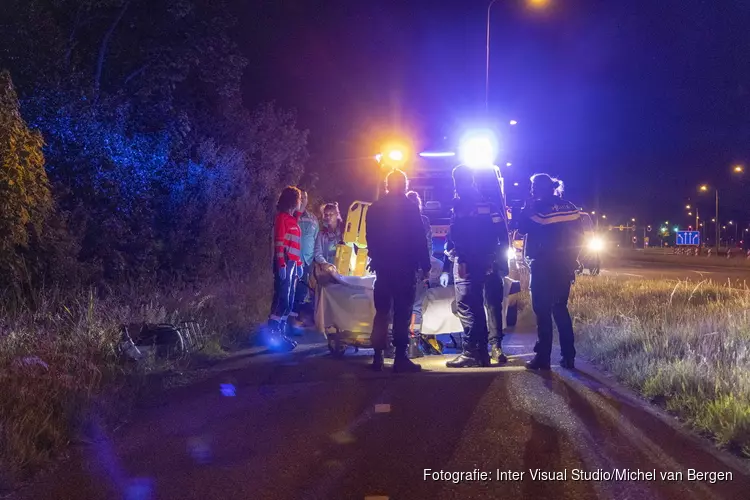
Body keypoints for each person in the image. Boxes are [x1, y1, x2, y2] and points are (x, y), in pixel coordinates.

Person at [440, 164, 507, 368]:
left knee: (467, 307)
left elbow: (457, 237)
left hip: (466, 264)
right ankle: (483, 353)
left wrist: (456, 258)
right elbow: (501, 235)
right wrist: (497, 261)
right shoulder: (488, 205)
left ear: (457, 182)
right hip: (485, 261)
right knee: (478, 307)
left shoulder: (461, 205)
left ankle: (471, 352)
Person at [366, 169, 432, 372]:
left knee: (382, 312)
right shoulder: (410, 208)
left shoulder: (375, 207)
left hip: (383, 268)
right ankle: (400, 358)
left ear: (387, 184)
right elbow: (419, 238)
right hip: (405, 267)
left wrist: (375, 258)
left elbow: (370, 237)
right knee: (402, 313)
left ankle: (377, 356)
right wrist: (425, 265)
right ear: (404, 185)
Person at [517, 173, 583, 370]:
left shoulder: (537, 208)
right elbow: (579, 238)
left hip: (543, 265)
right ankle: (568, 357)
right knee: (560, 309)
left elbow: (521, 228)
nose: (531, 190)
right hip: (565, 266)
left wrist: (526, 207)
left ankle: (543, 357)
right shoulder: (570, 207)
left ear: (540, 188)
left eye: (533, 186)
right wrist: (572, 262)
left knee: (542, 310)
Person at [267, 186, 304, 350]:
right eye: (300, 198)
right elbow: (280, 242)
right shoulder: (282, 218)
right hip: (285, 263)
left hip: (292, 265)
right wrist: (281, 263)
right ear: (293, 200)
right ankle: (273, 335)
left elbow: (296, 245)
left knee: (288, 302)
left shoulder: (292, 220)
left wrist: (299, 265)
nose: (301, 201)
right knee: (282, 299)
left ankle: (281, 335)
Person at [290, 190, 319, 329]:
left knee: (302, 291)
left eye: (305, 198)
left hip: (307, 260)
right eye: (301, 197)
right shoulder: (292, 216)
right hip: (293, 258)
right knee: (290, 289)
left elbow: (316, 238)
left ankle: (296, 317)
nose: (303, 200)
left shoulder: (313, 218)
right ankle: (288, 319)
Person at [406, 191, 432, 338]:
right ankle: (413, 339)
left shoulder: (396, 220)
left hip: (400, 269)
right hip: (417, 269)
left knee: (399, 305)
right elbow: (427, 246)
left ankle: (394, 341)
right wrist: (426, 268)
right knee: (416, 304)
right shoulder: (423, 221)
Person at [313, 202, 344, 284]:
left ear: (337, 214)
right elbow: (317, 253)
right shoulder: (321, 234)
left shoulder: (344, 233)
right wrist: (326, 265)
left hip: (343, 272)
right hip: (327, 274)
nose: (328, 217)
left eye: (331, 214)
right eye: (326, 214)